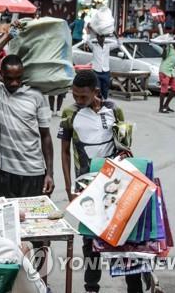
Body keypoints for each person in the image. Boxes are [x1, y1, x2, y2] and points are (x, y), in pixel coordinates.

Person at [57, 70, 142, 293]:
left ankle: (134, 285)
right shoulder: (69, 113)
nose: (77, 100)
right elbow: (65, 152)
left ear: (96, 92)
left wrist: (125, 152)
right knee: (89, 242)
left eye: (82, 96)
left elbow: (125, 146)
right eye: (74, 95)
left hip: (115, 186)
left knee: (123, 238)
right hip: (86, 186)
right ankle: (91, 287)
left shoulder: (115, 110)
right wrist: (69, 188)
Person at [0, 26, 54, 200]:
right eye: (9, 78)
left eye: (18, 78)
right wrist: (7, 36)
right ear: (1, 76)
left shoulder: (36, 96)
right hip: (4, 173)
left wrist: (49, 173)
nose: (14, 83)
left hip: (34, 172)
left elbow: (46, 136)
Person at [86, 25, 120, 100]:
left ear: (104, 38)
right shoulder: (94, 47)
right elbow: (87, 41)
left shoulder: (108, 46)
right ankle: (98, 103)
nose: (101, 38)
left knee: (105, 89)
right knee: (97, 89)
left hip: (106, 72)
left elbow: (119, 44)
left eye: (102, 37)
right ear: (97, 38)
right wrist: (88, 31)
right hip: (96, 71)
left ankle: (104, 103)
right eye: (99, 37)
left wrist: (115, 34)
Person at [158, 42, 175, 113]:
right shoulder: (169, 48)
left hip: (171, 72)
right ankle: (161, 108)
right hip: (164, 71)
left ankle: (166, 105)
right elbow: (163, 56)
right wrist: (165, 49)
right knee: (164, 89)